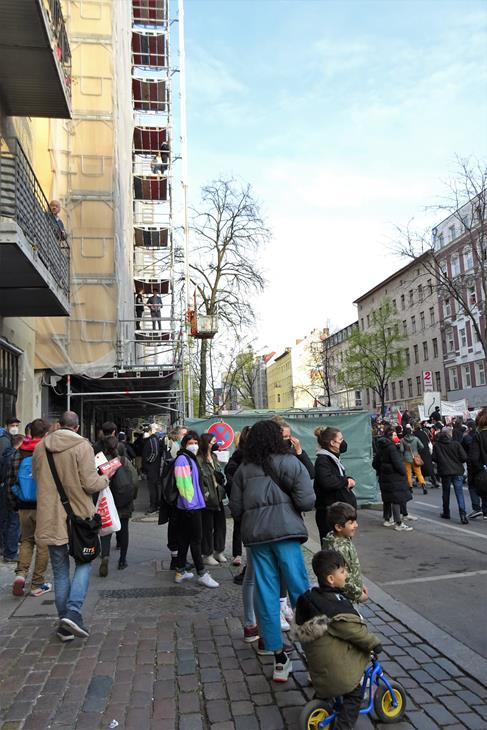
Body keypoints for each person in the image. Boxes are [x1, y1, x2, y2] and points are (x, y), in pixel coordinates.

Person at [230, 419, 315, 682]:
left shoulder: (243, 469)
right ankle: (314, 655)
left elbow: (235, 507)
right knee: (299, 589)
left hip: (257, 537)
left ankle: (279, 658)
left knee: (265, 592)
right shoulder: (291, 463)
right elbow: (307, 500)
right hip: (286, 532)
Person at [33, 411, 118, 641]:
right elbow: (90, 484)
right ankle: (73, 612)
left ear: (58, 424)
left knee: (60, 571)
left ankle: (65, 624)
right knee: (85, 561)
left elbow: (37, 477)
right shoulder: (83, 447)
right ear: (77, 427)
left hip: (50, 517)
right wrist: (106, 477)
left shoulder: (40, 447)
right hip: (79, 517)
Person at [294, 550, 382, 730]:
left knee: (330, 658)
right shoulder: (336, 609)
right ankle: (344, 726)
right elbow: (356, 633)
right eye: (342, 571)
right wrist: (375, 644)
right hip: (336, 672)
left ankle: (322, 699)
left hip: (319, 667)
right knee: (355, 695)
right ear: (331, 579)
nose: (346, 574)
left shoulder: (311, 599)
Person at [7, 419, 52, 597]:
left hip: (24, 505)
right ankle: (37, 584)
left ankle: (20, 575)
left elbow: (11, 481)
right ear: (46, 434)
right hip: (43, 505)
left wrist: (16, 504)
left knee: (26, 540)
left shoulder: (18, 452)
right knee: (43, 544)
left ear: (30, 432)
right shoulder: (48, 452)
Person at [172, 431, 219, 588]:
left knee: (184, 540)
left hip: (190, 506)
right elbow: (183, 485)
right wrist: (190, 506)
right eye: (190, 443)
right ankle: (202, 573)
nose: (194, 446)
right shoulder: (183, 460)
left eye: (196, 443)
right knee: (196, 540)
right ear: (184, 444)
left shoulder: (188, 458)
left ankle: (180, 571)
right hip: (190, 507)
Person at [98, 435, 137, 573]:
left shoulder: (102, 463)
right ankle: (122, 560)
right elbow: (135, 481)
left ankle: (105, 556)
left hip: (107, 501)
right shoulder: (125, 461)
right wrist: (132, 497)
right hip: (124, 502)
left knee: (106, 530)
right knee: (124, 530)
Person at [313, 426, 356, 542]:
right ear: (332, 443)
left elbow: (335, 478)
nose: (343, 442)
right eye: (340, 439)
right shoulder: (323, 460)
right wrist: (345, 481)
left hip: (338, 513)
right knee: (333, 548)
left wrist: (347, 480)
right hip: (330, 514)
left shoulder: (333, 458)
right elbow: (327, 481)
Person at [322, 502, 368, 603]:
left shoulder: (340, 539)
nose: (356, 525)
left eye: (355, 521)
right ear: (339, 527)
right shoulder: (340, 548)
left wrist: (360, 585)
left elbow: (352, 570)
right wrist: (359, 595)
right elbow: (344, 579)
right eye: (351, 523)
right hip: (346, 599)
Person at [373, 425, 413, 532]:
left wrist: (383, 469)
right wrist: (403, 472)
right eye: (394, 435)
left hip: (384, 477)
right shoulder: (392, 448)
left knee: (387, 499)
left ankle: (387, 519)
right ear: (390, 436)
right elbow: (398, 464)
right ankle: (398, 523)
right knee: (396, 499)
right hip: (394, 478)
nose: (397, 437)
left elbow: (375, 463)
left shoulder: (381, 447)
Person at [197, 433, 227, 566]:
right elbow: (198, 479)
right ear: (206, 443)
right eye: (212, 442)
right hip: (207, 498)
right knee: (207, 527)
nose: (215, 444)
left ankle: (219, 550)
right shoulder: (199, 459)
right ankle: (207, 553)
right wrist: (206, 493)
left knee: (221, 525)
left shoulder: (214, 457)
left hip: (218, 495)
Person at [224, 426, 252, 567]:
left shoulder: (258, 455)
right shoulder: (239, 455)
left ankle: (243, 554)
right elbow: (230, 473)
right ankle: (238, 554)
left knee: (245, 525)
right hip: (242, 496)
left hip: (249, 496)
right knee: (239, 524)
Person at [432, 426, 468, 524]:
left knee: (446, 492)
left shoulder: (437, 445)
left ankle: (446, 512)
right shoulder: (456, 444)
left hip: (445, 471)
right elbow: (464, 457)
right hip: (457, 470)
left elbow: (434, 458)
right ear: (450, 435)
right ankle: (463, 514)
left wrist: (441, 461)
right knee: (459, 493)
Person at [0, 433, 23, 563]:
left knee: (5, 521)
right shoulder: (15, 456)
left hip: (4, 491)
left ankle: (4, 548)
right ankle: (10, 553)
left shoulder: (6, 454)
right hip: (12, 493)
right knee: (14, 523)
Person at [464, 417, 487, 519]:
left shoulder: (477, 436)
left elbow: (474, 457)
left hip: (479, 469)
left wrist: (479, 467)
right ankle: (485, 511)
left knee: (475, 486)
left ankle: (477, 508)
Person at [399, 425, 427, 495]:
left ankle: (410, 487)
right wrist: (416, 451)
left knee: (408, 473)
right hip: (415, 457)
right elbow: (422, 446)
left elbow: (401, 450)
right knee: (418, 473)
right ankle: (423, 484)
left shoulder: (402, 440)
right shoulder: (416, 439)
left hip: (406, 458)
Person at [142, 423, 162, 513]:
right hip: (152, 468)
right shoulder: (152, 439)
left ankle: (154, 505)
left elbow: (155, 452)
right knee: (153, 487)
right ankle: (155, 504)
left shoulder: (153, 439)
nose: (145, 432)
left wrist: (148, 461)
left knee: (153, 487)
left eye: (147, 431)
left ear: (151, 431)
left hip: (152, 468)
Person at [414, 421, 439, 488]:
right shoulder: (424, 433)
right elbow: (428, 441)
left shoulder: (414, 434)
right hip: (426, 451)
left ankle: (419, 481)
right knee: (428, 467)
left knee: (419, 466)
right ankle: (434, 481)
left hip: (419, 452)